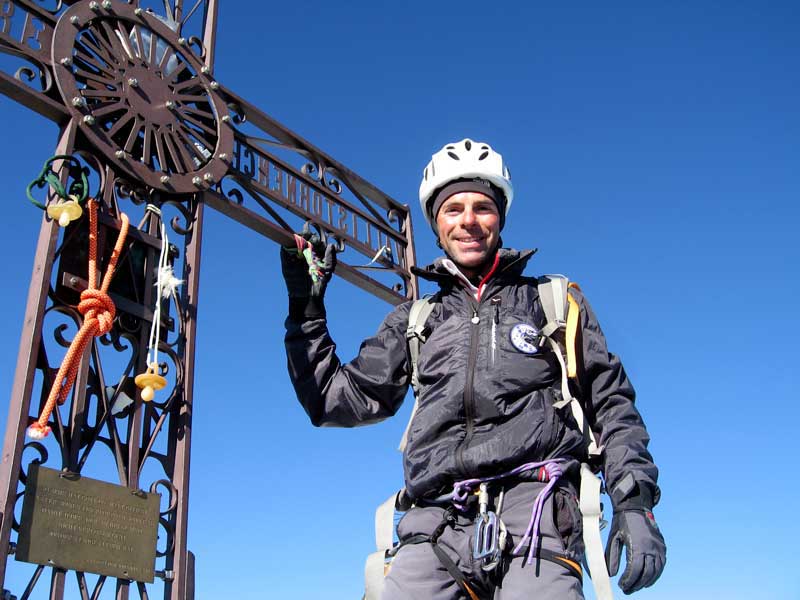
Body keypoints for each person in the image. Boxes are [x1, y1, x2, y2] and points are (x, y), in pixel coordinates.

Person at [281, 138, 666, 599]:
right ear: (436, 225)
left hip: (537, 512)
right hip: (435, 519)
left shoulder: (553, 302)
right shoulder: (416, 320)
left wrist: (634, 499)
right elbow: (333, 400)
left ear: (500, 217)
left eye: (482, 207)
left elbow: (612, 404)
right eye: (453, 209)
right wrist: (306, 310)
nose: (468, 221)